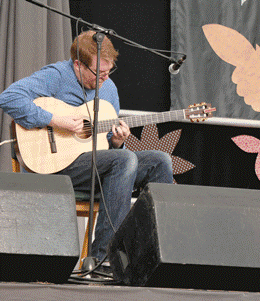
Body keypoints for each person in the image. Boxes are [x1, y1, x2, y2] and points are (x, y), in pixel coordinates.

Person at [0, 30, 173, 262]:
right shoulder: (57, 76)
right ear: (78, 64)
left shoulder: (109, 89)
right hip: (56, 165)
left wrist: (117, 142)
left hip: (94, 166)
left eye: (108, 71)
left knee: (159, 162)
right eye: (98, 72)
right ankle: (103, 259)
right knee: (124, 160)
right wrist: (55, 120)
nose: (104, 78)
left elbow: (109, 151)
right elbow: (9, 98)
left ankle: (149, 258)